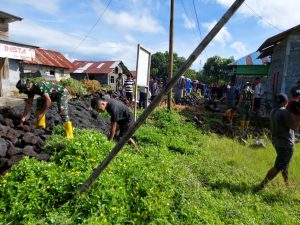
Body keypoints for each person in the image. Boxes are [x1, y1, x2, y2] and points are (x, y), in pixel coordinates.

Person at [257, 93, 300, 190]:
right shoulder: (283, 112)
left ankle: (287, 184)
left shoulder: (274, 111)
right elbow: (293, 126)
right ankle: (262, 185)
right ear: (286, 102)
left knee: (284, 164)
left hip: (277, 141)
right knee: (278, 166)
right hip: (286, 143)